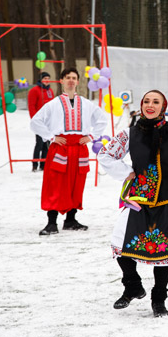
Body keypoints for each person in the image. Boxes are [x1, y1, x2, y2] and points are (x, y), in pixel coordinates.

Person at [98, 90, 168, 317]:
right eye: (146, 101)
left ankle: (158, 299)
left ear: (163, 106)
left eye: (156, 102)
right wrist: (127, 172)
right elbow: (105, 153)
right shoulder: (130, 133)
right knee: (120, 243)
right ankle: (132, 285)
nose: (150, 105)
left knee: (164, 249)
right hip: (138, 198)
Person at [30, 67, 109, 236]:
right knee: (55, 185)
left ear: (78, 81)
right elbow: (35, 122)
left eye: (74, 77)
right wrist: (51, 136)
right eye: (68, 78)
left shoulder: (87, 104)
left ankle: (71, 220)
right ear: (62, 81)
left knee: (76, 184)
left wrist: (91, 136)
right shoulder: (52, 104)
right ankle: (51, 222)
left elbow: (102, 120)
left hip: (79, 149)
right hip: (61, 148)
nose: (71, 80)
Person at [27, 72, 54, 171]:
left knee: (47, 144)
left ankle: (44, 164)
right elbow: (31, 106)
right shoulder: (34, 91)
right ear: (41, 79)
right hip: (39, 121)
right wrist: (35, 120)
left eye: (48, 78)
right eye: (45, 78)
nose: (47, 80)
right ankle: (35, 165)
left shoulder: (50, 90)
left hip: (48, 121)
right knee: (39, 143)